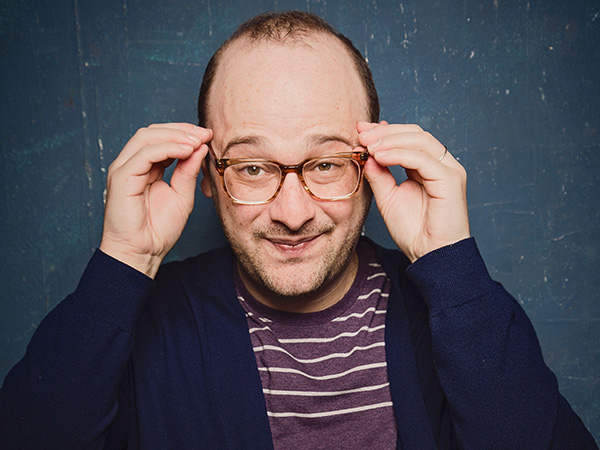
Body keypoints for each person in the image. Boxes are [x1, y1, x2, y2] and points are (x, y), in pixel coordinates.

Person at [0, 10, 597, 450]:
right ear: (207, 175)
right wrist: (123, 261)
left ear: (372, 164)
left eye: (326, 164)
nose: (292, 213)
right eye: (253, 168)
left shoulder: (450, 309)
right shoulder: (146, 324)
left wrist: (451, 264)